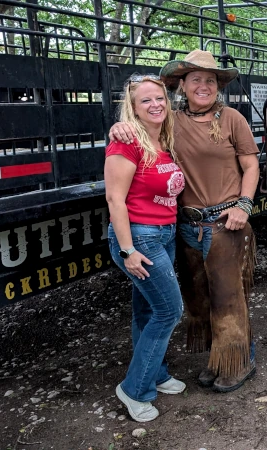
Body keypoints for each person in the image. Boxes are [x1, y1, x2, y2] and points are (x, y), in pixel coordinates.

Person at [109, 50, 260, 393]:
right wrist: (120, 125)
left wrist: (245, 206)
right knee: (199, 298)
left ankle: (239, 362)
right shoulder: (171, 121)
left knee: (228, 296)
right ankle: (217, 360)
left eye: (210, 80)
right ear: (182, 85)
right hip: (185, 225)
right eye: (196, 80)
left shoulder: (233, 118)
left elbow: (251, 166)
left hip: (225, 222)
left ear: (218, 86)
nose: (203, 86)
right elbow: (142, 124)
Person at [104, 74, 186, 422]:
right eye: (146, 101)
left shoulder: (162, 140)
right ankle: (135, 388)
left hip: (163, 234)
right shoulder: (126, 144)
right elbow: (114, 199)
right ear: (133, 109)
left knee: (148, 311)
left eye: (160, 99)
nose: (155, 105)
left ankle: (156, 372)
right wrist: (127, 250)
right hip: (140, 238)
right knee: (170, 310)